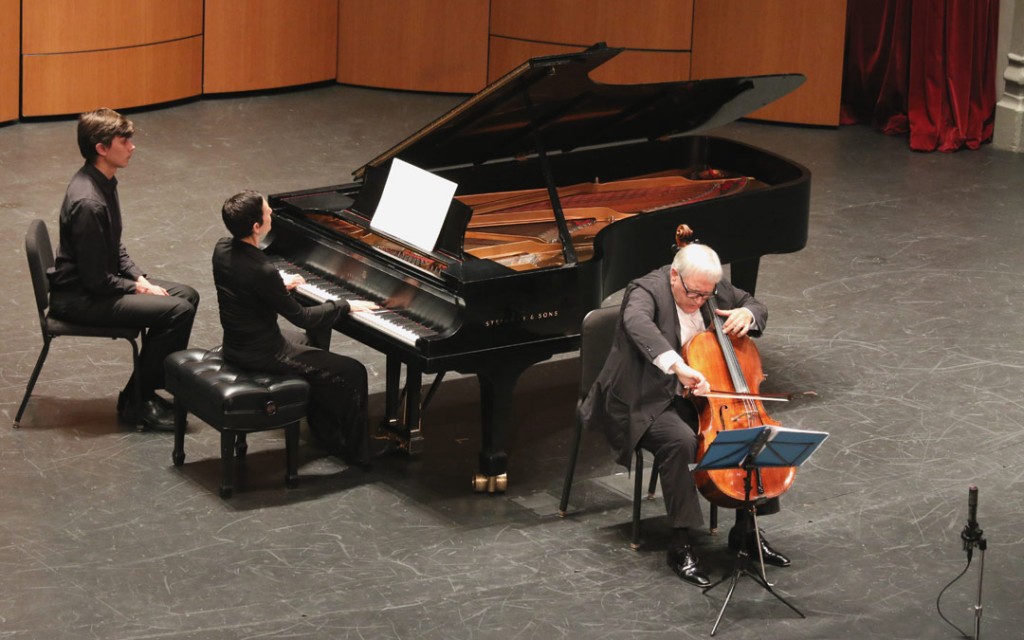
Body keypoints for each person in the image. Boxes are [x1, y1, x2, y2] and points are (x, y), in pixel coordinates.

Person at [580, 242, 791, 587]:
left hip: (698, 396)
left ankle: (746, 532)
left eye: (706, 295)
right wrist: (677, 366)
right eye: (694, 294)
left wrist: (748, 314)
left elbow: (753, 302)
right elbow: (636, 323)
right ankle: (681, 542)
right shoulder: (646, 290)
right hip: (642, 396)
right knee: (680, 441)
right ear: (675, 276)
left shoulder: (709, 286)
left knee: (750, 432)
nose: (701, 301)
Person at [49, 108, 199, 430]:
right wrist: (138, 289)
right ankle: (139, 402)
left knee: (187, 295)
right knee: (177, 312)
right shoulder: (89, 202)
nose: (132, 146)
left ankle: (137, 393)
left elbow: (114, 246)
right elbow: (94, 280)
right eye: (124, 140)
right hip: (80, 298)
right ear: (101, 148)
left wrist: (138, 276)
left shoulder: (103, 181)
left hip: (96, 285)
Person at [213, 190, 377, 465]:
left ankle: (323, 426)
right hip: (266, 352)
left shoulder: (222, 248)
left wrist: (279, 287)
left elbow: (246, 285)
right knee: (354, 371)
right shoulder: (262, 271)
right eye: (267, 212)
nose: (272, 214)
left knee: (314, 345)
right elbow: (303, 318)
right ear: (256, 226)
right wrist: (343, 305)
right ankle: (354, 451)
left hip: (237, 345)